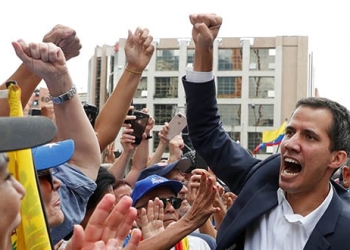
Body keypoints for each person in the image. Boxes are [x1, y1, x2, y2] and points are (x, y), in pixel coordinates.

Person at [182, 13, 350, 249]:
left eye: (310, 136)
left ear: (337, 158)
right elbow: (206, 132)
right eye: (290, 132)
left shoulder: (345, 229)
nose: (291, 144)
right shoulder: (261, 178)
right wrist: (204, 51)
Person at [131, 174, 211, 249]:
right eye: (160, 203)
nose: (171, 209)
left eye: (174, 201)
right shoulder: (125, 246)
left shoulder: (198, 245)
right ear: (138, 216)